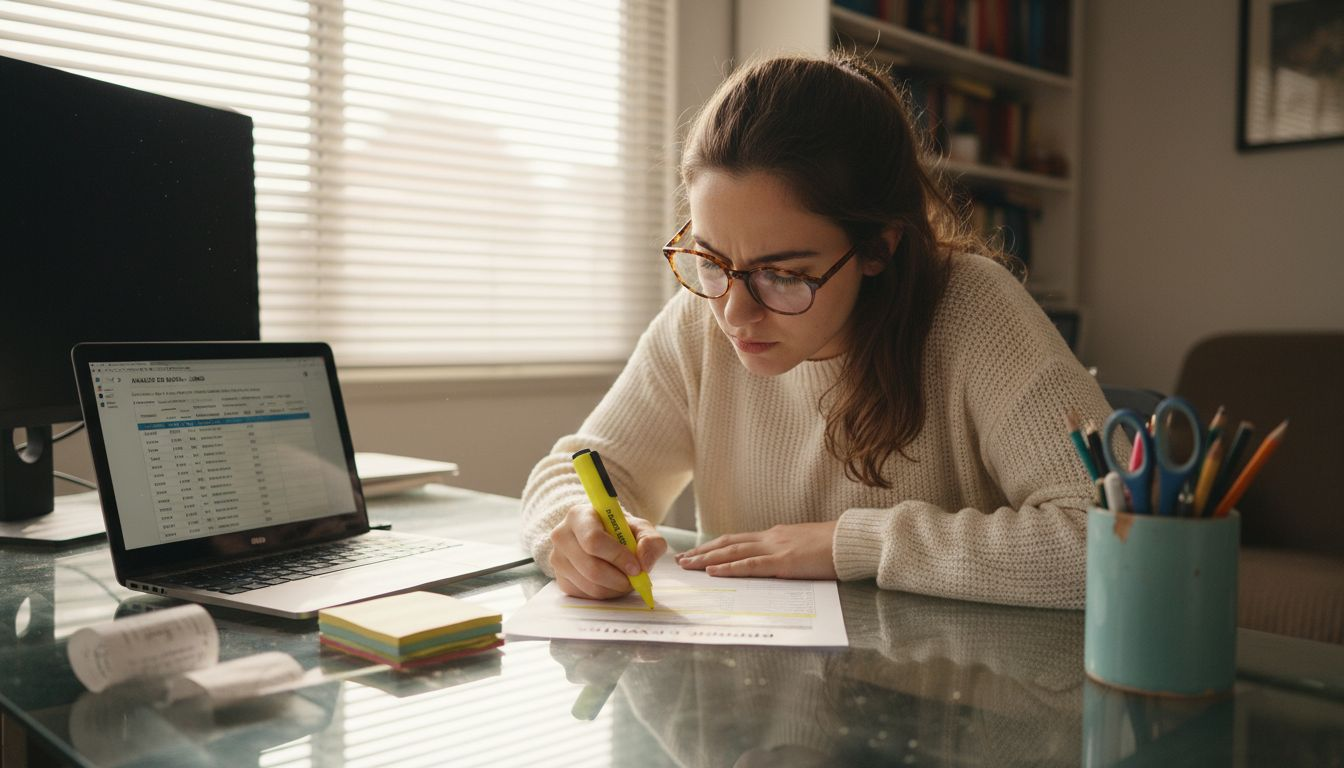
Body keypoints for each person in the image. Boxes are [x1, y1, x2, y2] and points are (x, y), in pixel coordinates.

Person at [519, 52, 1111, 610]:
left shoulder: (974, 310)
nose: (733, 313)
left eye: (783, 274)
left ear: (878, 247)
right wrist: (573, 528)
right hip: (746, 694)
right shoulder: (697, 322)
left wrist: (848, 545)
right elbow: (578, 471)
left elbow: (1113, 535)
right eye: (710, 260)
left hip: (951, 701)